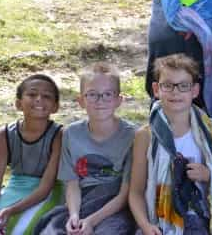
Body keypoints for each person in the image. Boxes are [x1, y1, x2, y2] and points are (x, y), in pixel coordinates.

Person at [129, 54, 212, 235]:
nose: (175, 92)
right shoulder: (145, 136)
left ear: (195, 90)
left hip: (199, 218)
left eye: (183, 86)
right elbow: (136, 192)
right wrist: (145, 225)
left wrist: (209, 175)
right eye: (168, 85)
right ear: (156, 89)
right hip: (157, 221)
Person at [34, 62, 136, 235]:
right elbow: (72, 183)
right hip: (80, 202)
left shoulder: (133, 136)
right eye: (92, 95)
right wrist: (74, 216)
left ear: (119, 100)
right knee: (50, 230)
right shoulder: (71, 134)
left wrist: (91, 221)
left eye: (107, 94)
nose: (100, 101)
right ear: (80, 100)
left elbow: (126, 194)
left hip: (114, 207)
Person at [0, 74, 63, 235]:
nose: (39, 99)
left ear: (55, 107)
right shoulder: (5, 134)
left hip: (48, 192)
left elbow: (45, 188)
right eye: (31, 94)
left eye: (46, 96)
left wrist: (12, 210)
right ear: (18, 103)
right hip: (15, 187)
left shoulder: (59, 135)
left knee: (22, 229)